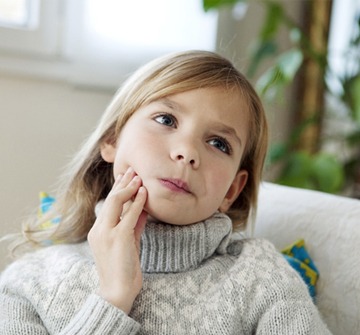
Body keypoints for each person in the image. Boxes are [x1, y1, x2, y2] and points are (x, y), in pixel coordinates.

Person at [0, 50, 331, 334]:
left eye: (218, 143)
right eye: (166, 119)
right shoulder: (29, 282)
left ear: (232, 189)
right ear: (112, 139)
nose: (187, 152)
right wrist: (112, 298)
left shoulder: (263, 277)